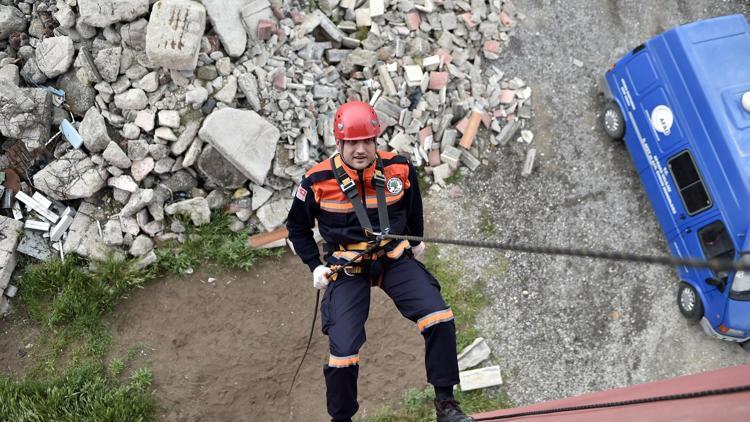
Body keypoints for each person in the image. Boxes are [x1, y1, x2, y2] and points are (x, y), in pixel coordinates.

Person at [286, 101, 474, 422]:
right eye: (352, 143)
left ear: (377, 140)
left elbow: (413, 210)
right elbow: (297, 227)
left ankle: (446, 405)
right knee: (343, 354)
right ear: (339, 143)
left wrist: (415, 240)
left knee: (440, 318)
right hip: (349, 267)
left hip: (392, 258)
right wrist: (314, 265)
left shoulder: (398, 169)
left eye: (367, 141)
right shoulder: (316, 181)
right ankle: (341, 419)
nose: (360, 149)